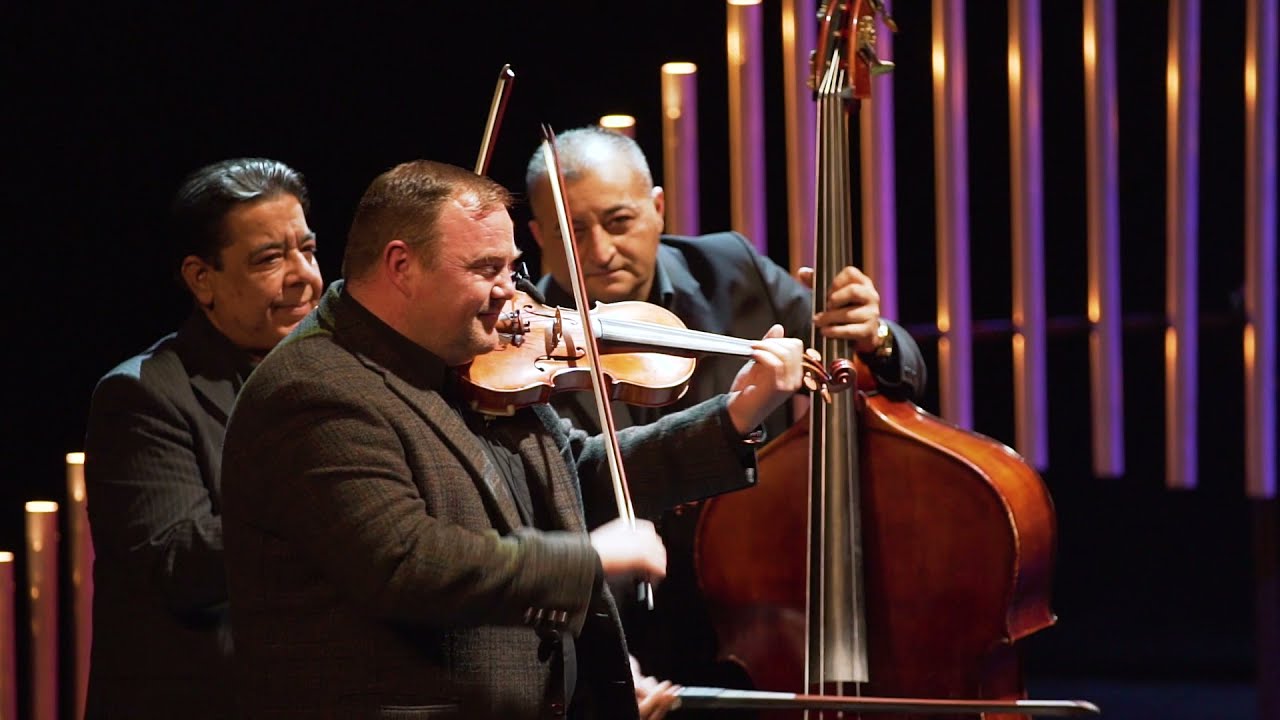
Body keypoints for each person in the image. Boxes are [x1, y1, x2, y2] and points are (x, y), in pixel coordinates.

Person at [219, 159, 805, 720]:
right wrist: (589, 559)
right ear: (401, 266)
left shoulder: (466, 357)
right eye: (485, 269)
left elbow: (576, 472)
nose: (511, 295)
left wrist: (734, 415)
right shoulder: (316, 390)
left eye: (512, 268)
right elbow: (407, 563)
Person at [524, 126, 928, 691]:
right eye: (573, 232)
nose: (600, 251)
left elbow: (873, 370)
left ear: (658, 208)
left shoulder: (731, 270)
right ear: (538, 234)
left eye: (619, 222)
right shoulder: (520, 341)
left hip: (764, 611)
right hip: (611, 633)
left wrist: (873, 337)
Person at [83, 158, 323, 718]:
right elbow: (177, 563)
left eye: (307, 250)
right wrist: (321, 496)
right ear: (201, 279)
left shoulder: (336, 377)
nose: (305, 277)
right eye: (270, 258)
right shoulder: (141, 395)